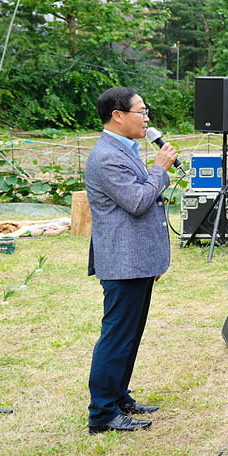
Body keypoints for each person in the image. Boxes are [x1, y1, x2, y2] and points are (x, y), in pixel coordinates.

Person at [84, 86, 178, 434]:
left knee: (129, 335)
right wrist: (160, 170)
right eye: (141, 111)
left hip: (136, 261)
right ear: (118, 115)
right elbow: (138, 201)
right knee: (117, 337)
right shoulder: (107, 156)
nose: (147, 118)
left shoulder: (124, 149)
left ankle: (118, 397)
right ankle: (102, 414)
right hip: (122, 264)